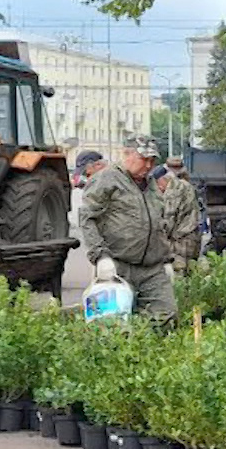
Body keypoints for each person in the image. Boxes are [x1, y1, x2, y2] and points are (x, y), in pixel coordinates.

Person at [78, 136, 176, 321]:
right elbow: (87, 218)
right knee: (110, 324)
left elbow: (158, 223)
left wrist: (166, 259)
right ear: (126, 154)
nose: (148, 166)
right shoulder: (106, 179)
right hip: (117, 266)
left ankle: (149, 350)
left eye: (152, 160)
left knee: (165, 318)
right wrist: (101, 257)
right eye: (143, 159)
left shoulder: (151, 185)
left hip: (152, 268)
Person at [158, 156, 204, 273]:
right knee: (189, 273)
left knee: (178, 274)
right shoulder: (186, 184)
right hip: (191, 238)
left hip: (180, 242)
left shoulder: (175, 188)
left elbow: (169, 217)